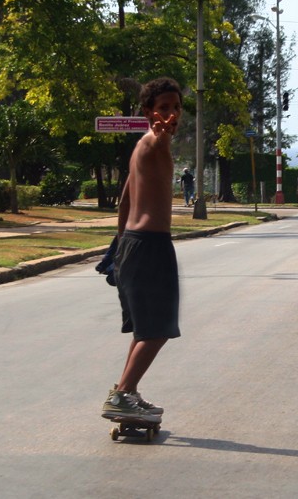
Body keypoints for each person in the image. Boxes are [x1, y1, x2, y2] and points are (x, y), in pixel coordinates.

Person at [101, 77, 185, 423]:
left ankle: (126, 390)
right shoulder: (154, 141)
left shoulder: (140, 148)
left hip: (134, 245)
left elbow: (124, 199)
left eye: (177, 108)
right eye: (164, 108)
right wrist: (162, 132)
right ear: (149, 112)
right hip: (150, 246)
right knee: (159, 328)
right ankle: (121, 396)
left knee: (144, 328)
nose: (172, 115)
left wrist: (120, 245)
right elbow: (160, 136)